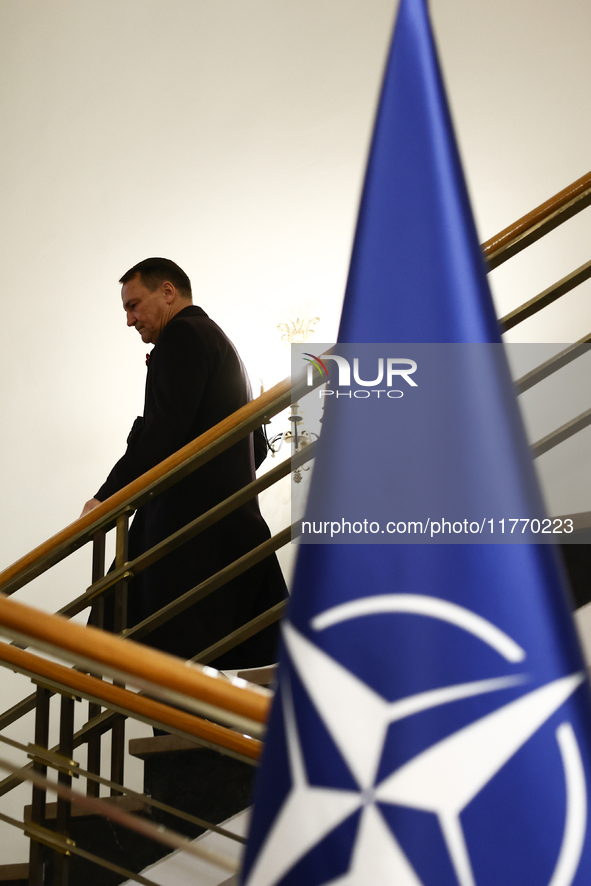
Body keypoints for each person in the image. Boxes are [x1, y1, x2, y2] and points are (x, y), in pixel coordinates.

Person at [82, 258, 287, 668]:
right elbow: (257, 449)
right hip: (229, 530)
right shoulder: (220, 343)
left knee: (168, 661)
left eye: (134, 305)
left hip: (188, 539)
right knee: (213, 664)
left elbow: (164, 431)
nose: (129, 319)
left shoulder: (183, 337)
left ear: (169, 292)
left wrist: (104, 498)